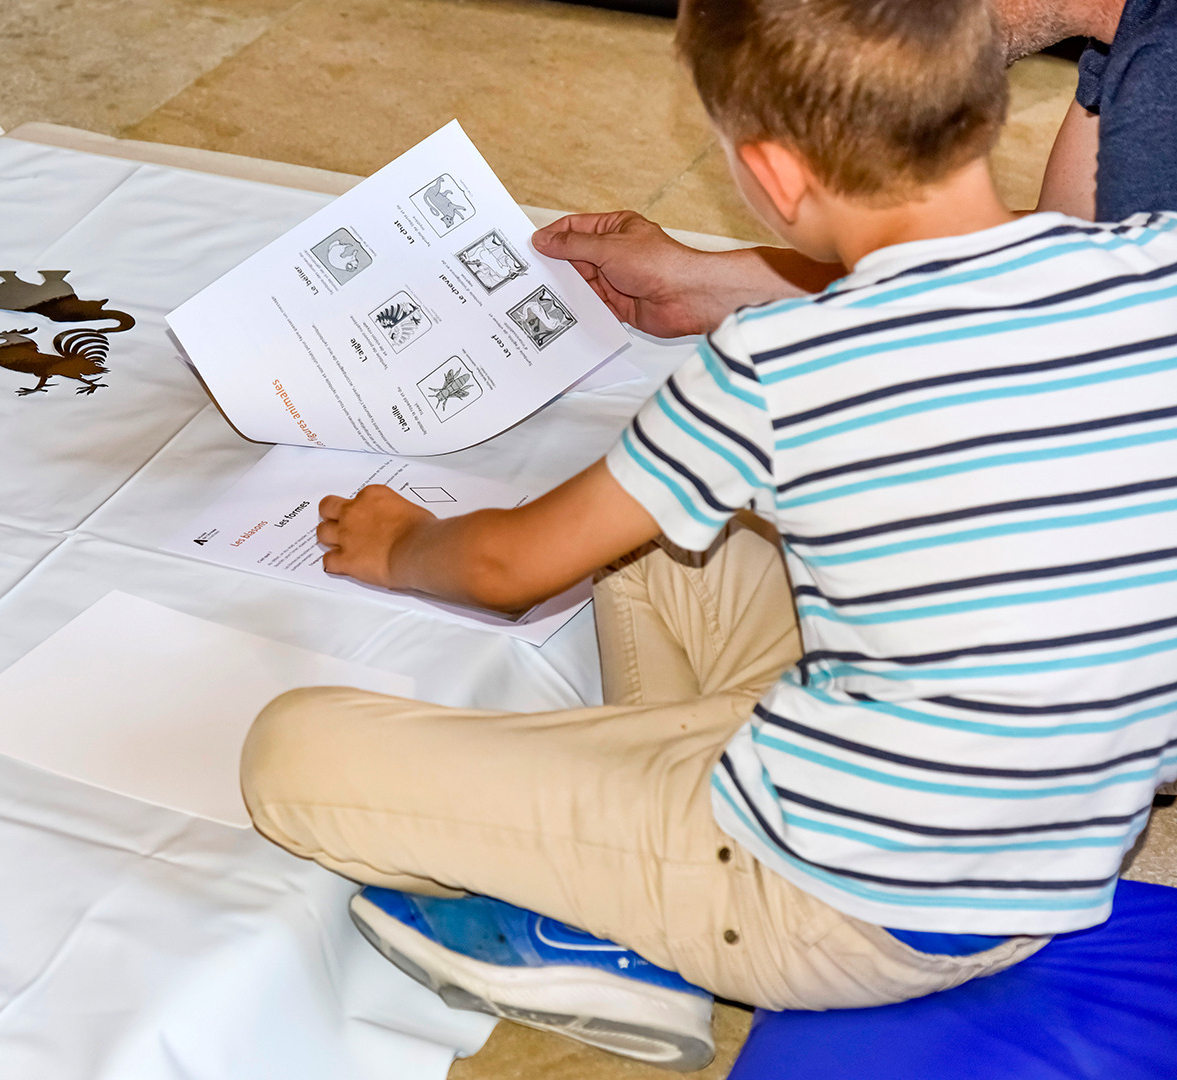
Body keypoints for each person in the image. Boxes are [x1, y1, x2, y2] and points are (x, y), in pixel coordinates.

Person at [237, 0, 1177, 1069]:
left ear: (770, 173)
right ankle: (649, 854)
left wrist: (398, 542)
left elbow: (506, 568)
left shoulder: (780, 358)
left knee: (293, 749)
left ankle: (639, 919)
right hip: (1057, 842)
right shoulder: (1155, 259)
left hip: (838, 908)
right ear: (989, 96)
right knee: (657, 549)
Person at [531, 0, 1175, 341]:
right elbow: (1068, 255)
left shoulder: (1159, 82)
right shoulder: (1127, 29)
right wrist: (705, 283)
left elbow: (1070, 329)